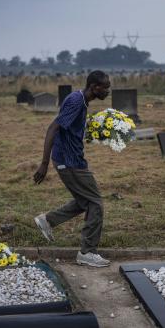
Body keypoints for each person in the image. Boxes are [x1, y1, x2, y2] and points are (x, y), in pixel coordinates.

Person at [33, 70, 111, 267]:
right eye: (105, 87)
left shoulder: (81, 101)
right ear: (94, 87)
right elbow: (53, 128)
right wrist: (43, 164)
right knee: (95, 203)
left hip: (73, 158)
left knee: (84, 199)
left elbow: (71, 130)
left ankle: (47, 220)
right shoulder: (76, 101)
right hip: (68, 161)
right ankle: (87, 252)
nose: (108, 91)